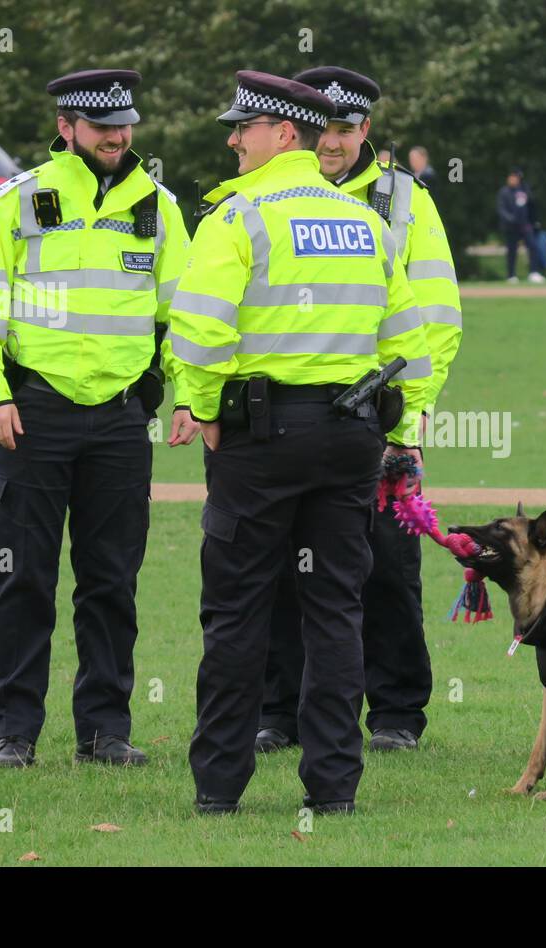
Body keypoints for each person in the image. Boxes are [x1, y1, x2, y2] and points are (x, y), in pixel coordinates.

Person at [170, 71, 432, 815]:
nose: (233, 140)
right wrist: (401, 431)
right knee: (336, 611)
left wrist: (203, 409)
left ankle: (219, 789)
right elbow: (407, 342)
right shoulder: (366, 223)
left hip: (260, 438)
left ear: (283, 133)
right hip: (351, 437)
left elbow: (199, 330)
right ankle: (334, 789)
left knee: (237, 610)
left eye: (243, 128)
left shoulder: (237, 215)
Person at [0, 69, 195, 768]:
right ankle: (15, 734)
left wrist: (187, 394)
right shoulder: (18, 200)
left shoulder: (158, 206)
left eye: (124, 125)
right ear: (67, 127)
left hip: (121, 419)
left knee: (112, 580)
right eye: (101, 127)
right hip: (33, 413)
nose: (117, 137)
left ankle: (104, 733)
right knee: (23, 575)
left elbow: (182, 314)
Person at [249, 65, 462, 755]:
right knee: (283, 565)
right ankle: (280, 711)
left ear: (365, 128)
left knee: (388, 566)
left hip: (378, 418)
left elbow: (436, 320)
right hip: (286, 412)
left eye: (344, 129)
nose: (332, 143)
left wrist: (408, 424)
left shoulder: (404, 200)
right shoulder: (264, 193)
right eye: (323, 129)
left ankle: (396, 712)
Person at [496, 167, 546, 283]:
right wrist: (510, 219)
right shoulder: (504, 192)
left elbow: (531, 206)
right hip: (510, 226)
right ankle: (511, 275)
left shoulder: (524, 190)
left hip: (525, 224)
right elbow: (501, 209)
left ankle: (534, 272)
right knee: (512, 251)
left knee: (533, 246)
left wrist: (534, 221)